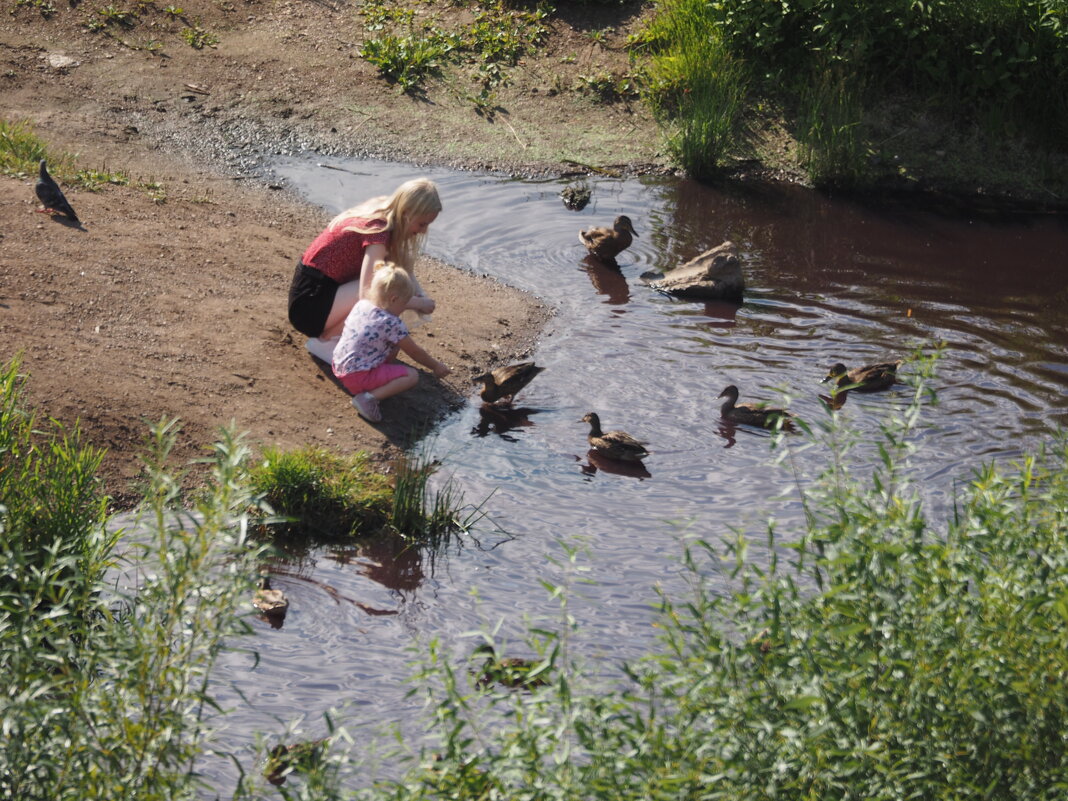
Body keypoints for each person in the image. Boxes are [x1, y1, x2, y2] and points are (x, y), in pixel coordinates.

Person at [288, 177, 441, 362]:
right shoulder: (378, 230)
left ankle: (337, 338)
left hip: (317, 291)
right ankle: (325, 342)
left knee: (395, 281)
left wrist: (421, 294)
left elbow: (402, 266)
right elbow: (367, 292)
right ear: (406, 212)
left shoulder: (384, 209)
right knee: (384, 289)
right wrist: (416, 303)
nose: (423, 231)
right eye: (422, 224)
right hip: (309, 305)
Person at [333, 260, 451, 422]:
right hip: (357, 376)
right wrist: (436, 366)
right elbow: (414, 352)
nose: (404, 309)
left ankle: (377, 381)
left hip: (339, 364)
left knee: (394, 346)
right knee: (411, 376)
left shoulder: (363, 304)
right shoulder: (391, 323)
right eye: (404, 304)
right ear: (394, 299)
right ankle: (367, 399)